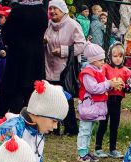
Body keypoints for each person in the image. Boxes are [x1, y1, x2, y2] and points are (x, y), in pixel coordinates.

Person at [0, 0, 46, 116]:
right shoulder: (43, 12)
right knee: (31, 85)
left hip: (18, 54)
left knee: (14, 84)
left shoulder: (18, 10)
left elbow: (7, 33)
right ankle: (32, 114)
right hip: (36, 54)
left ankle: (12, 113)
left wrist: (10, 43)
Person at [44, 0, 85, 136]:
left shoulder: (73, 25)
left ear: (63, 10)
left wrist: (63, 50)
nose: (52, 12)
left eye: (56, 9)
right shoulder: (48, 24)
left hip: (64, 69)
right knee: (50, 98)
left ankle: (71, 128)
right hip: (48, 66)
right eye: (50, 9)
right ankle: (52, 128)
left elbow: (81, 45)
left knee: (65, 99)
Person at [76, 42, 121, 162]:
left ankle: (85, 151)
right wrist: (108, 84)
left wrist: (112, 84)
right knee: (85, 130)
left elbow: (105, 84)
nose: (103, 62)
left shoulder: (98, 70)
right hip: (88, 105)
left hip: (93, 106)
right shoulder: (88, 73)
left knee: (89, 130)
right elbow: (93, 88)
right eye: (100, 60)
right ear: (92, 60)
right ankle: (81, 153)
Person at [95, 42, 131, 159]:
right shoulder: (105, 68)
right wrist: (110, 84)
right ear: (110, 56)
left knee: (114, 125)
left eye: (120, 56)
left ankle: (113, 148)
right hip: (106, 100)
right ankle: (98, 147)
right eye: (115, 56)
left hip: (117, 102)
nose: (117, 59)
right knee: (102, 123)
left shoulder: (126, 71)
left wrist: (125, 87)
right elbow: (100, 82)